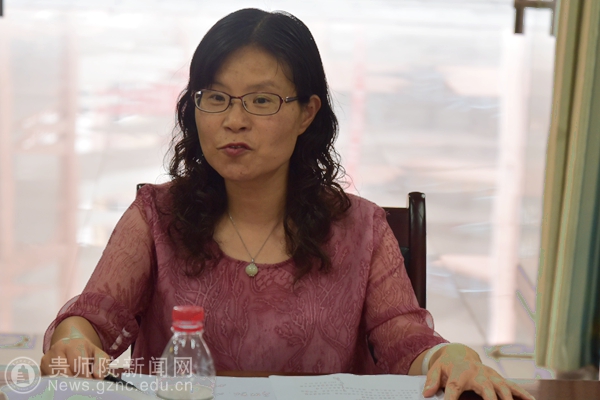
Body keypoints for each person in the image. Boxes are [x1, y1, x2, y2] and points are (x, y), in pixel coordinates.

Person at [41, 8, 534, 400]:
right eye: (216, 97)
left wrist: (449, 357)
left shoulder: (361, 229)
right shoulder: (156, 216)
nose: (234, 120)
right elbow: (93, 317)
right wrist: (74, 341)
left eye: (261, 101)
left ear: (306, 113)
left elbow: (403, 338)